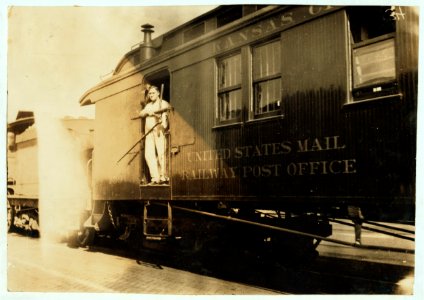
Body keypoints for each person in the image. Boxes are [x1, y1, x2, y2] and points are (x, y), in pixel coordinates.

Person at [139, 85, 170, 184]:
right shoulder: (148, 105)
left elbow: (166, 118)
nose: (151, 95)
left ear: (158, 93)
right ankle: (155, 178)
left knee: (161, 154)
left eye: (153, 93)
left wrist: (160, 118)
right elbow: (141, 114)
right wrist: (149, 112)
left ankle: (164, 177)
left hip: (159, 131)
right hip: (149, 133)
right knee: (149, 155)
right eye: (150, 93)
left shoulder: (163, 103)